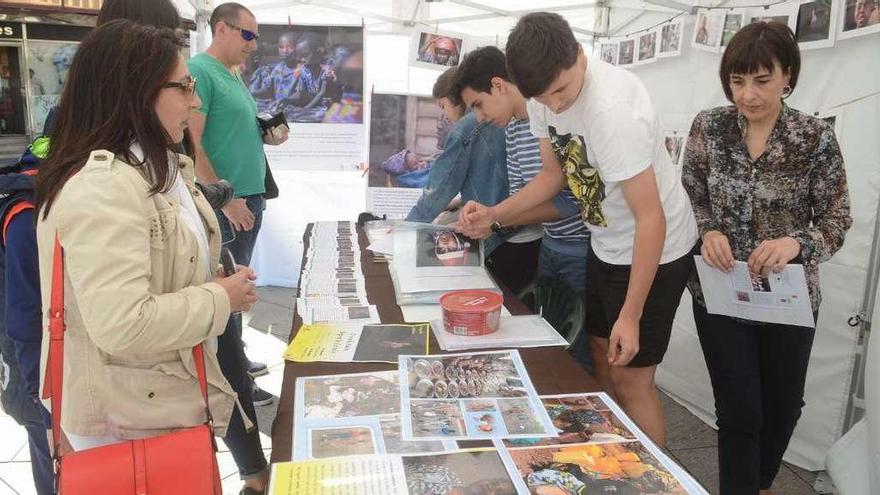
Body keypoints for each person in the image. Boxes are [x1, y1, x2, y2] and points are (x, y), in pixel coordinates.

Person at [458, 13, 698, 446]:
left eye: (563, 91)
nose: (557, 106)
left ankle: (656, 480)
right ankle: (617, 462)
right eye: (544, 99)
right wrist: (495, 213)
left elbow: (651, 219)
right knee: (603, 367)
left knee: (632, 382)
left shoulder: (614, 112)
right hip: (606, 244)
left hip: (655, 251)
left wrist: (632, 314)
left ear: (581, 56)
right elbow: (552, 176)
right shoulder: (541, 98)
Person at [33, 14, 253, 471]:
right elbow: (123, 323)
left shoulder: (156, 168)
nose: (193, 102)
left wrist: (205, 279)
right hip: (127, 426)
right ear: (135, 92)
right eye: (183, 87)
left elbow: (153, 270)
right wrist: (219, 297)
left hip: (158, 403)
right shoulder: (104, 187)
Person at [681, 22, 851, 494]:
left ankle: (758, 483)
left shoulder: (812, 138)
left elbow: (837, 219)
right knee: (739, 410)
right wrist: (707, 229)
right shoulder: (709, 127)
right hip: (721, 290)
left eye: (761, 80)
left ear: (788, 77)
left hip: (789, 298)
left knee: (783, 406)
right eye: (737, 81)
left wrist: (797, 243)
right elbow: (689, 197)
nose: (747, 95)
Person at [452, 46, 591, 369]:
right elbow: (521, 197)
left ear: (499, 85)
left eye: (479, 105)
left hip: (581, 250)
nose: (481, 117)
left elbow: (571, 202)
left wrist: (496, 218)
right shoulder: (513, 128)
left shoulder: (550, 118)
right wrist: (486, 216)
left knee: (577, 355)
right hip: (550, 248)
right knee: (547, 346)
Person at [188, 2, 285, 409]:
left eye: (255, 36)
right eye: (248, 34)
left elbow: (229, 132)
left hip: (248, 196)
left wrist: (265, 134)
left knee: (239, 286)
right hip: (227, 204)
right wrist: (225, 201)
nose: (253, 44)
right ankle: (234, 384)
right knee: (229, 290)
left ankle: (237, 360)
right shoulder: (200, 71)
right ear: (222, 29)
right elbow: (191, 143)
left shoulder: (231, 74)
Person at [406, 69, 533, 294]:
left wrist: (405, 229)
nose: (444, 116)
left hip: (500, 236)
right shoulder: (506, 119)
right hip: (523, 230)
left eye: (443, 106)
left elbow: (439, 189)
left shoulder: (466, 128)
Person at [0, 138, 52, 494]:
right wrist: (38, 392)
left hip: (39, 360)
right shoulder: (28, 214)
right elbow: (24, 315)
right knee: (49, 456)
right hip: (32, 367)